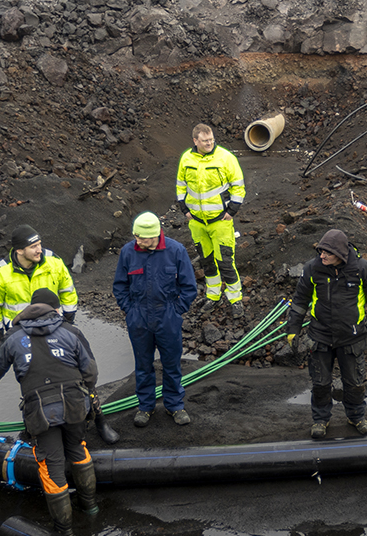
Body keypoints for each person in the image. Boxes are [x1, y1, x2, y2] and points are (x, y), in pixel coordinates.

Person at [0, 288, 99, 532]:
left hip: (41, 411)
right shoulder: (71, 331)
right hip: (76, 403)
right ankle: (90, 507)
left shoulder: (13, 337)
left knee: (52, 463)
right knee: (77, 448)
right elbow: (91, 372)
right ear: (55, 310)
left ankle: (64, 530)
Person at [284, 228, 367, 439]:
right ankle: (321, 420)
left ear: (340, 255)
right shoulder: (313, 269)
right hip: (320, 336)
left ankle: (356, 417)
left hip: (352, 338)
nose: (321, 256)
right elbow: (300, 301)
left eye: (327, 253)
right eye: (321, 251)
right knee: (320, 383)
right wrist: (293, 329)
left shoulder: (362, 269)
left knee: (355, 383)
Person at [113, 212, 198, 427]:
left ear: (155, 235)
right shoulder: (128, 252)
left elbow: (189, 287)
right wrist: (130, 310)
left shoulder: (176, 251)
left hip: (167, 315)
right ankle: (145, 407)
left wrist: (176, 310)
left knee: (171, 364)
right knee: (143, 365)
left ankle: (174, 405)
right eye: (136, 237)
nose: (138, 241)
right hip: (139, 317)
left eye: (142, 238)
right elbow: (120, 286)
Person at [176, 122, 247, 320]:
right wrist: (184, 209)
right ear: (195, 141)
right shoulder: (186, 158)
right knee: (207, 262)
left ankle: (235, 299)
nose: (209, 143)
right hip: (197, 222)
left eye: (211, 140)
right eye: (205, 141)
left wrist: (232, 211)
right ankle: (213, 296)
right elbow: (181, 184)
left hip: (220, 221)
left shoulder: (226, 158)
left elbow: (238, 186)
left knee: (225, 261)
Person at [34, 287, 120, 445]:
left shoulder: (71, 332)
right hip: (44, 387)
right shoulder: (23, 336)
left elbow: (89, 365)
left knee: (88, 384)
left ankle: (99, 420)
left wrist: (87, 385)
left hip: (71, 383)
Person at [0, 224, 79, 346]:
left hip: (51, 327)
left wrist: (68, 323)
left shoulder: (54, 262)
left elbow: (68, 293)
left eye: (39, 244)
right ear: (19, 250)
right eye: (33, 246)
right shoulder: (0, 273)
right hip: (18, 331)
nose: (39, 250)